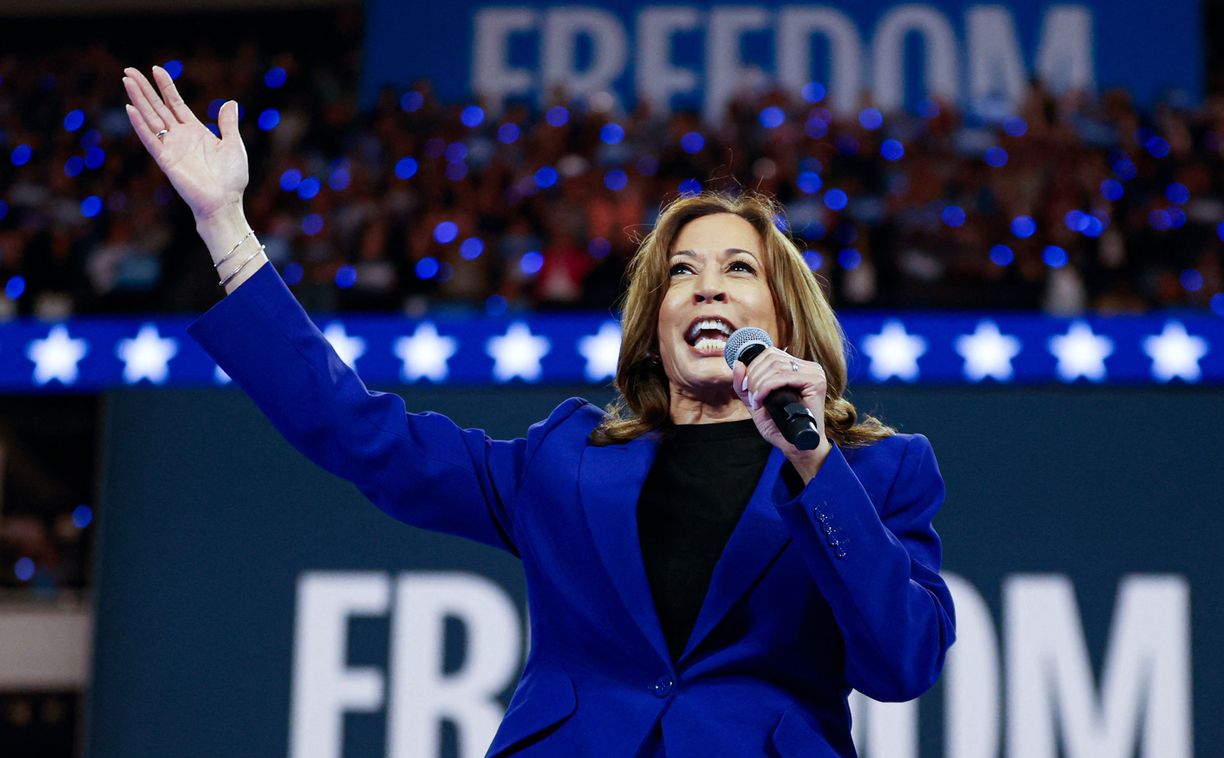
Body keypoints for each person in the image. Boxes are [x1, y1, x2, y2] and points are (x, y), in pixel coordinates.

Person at [122, 65, 956, 757]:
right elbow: (361, 435)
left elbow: (902, 663)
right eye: (678, 272)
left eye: (738, 268)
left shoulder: (876, 473)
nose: (705, 284)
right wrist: (227, 229)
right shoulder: (563, 456)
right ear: (653, 324)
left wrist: (813, 463)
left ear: (784, 317)